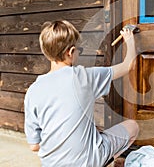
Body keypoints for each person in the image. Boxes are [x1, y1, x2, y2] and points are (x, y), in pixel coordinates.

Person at [24, 20, 139, 166]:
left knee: (93, 129)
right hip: (88, 162)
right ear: (70, 52)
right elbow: (129, 65)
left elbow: (34, 146)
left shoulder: (33, 90)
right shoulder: (85, 76)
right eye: (79, 50)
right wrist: (129, 40)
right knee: (133, 126)